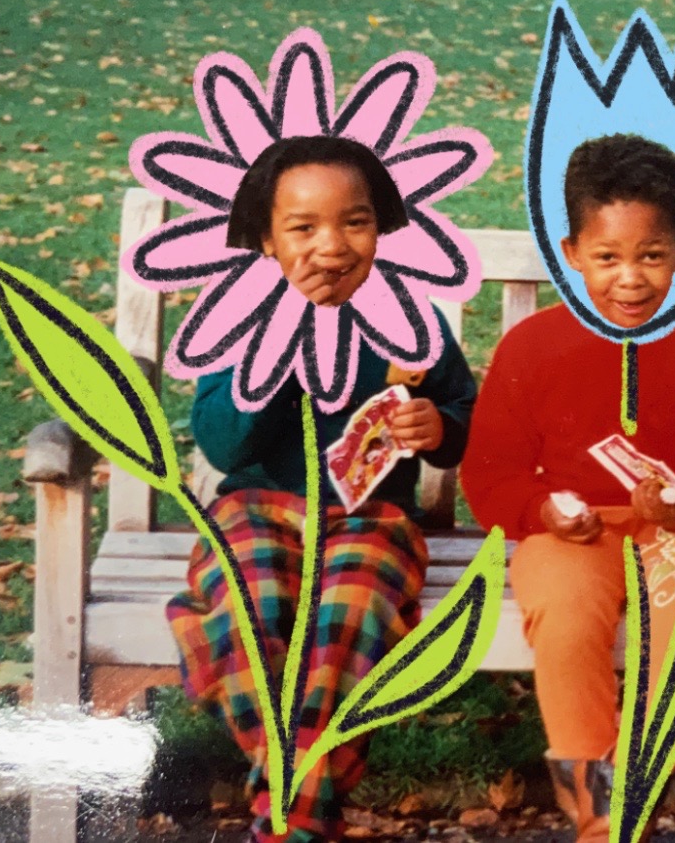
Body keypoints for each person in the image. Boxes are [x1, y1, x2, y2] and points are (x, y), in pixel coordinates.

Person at [461, 133, 675, 842]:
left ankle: (635, 783)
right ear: (571, 252)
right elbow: (490, 473)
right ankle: (597, 815)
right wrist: (542, 510)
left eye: (651, 256)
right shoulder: (533, 346)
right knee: (566, 615)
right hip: (570, 535)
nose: (629, 279)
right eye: (607, 257)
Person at [166, 135, 478, 842]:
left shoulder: (406, 318)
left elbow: (459, 407)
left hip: (371, 516)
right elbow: (223, 443)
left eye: (354, 222)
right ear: (266, 240)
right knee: (248, 616)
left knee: (346, 624)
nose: (331, 246)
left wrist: (439, 425)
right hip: (254, 509)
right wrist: (279, 354)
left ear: (382, 226)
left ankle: (285, 819)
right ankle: (304, 815)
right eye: (303, 228)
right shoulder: (245, 319)